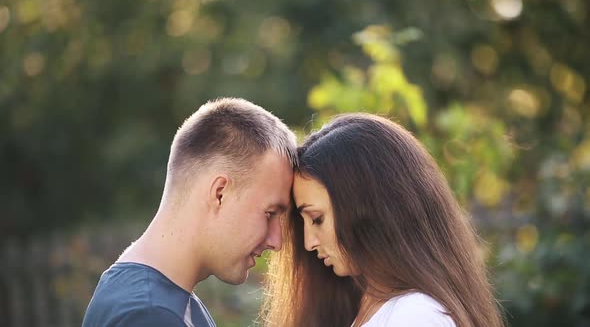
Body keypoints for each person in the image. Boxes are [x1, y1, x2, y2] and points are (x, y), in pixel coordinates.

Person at [261, 114, 504, 327]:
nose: (309, 243)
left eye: (316, 218)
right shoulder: (373, 308)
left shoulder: (416, 315)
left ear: (368, 208)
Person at [82, 98, 297, 327]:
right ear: (220, 193)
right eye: (270, 213)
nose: (277, 241)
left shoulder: (153, 299)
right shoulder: (149, 315)